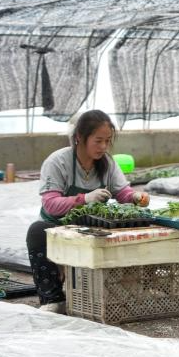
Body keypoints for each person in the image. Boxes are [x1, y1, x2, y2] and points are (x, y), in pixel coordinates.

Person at [26, 109, 150, 313]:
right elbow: (50, 204)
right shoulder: (58, 162)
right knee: (37, 231)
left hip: (89, 227)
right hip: (58, 225)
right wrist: (84, 198)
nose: (103, 147)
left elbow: (123, 192)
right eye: (98, 141)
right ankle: (52, 300)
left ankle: (114, 293)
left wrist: (136, 197)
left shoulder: (108, 163)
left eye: (107, 141)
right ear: (79, 138)